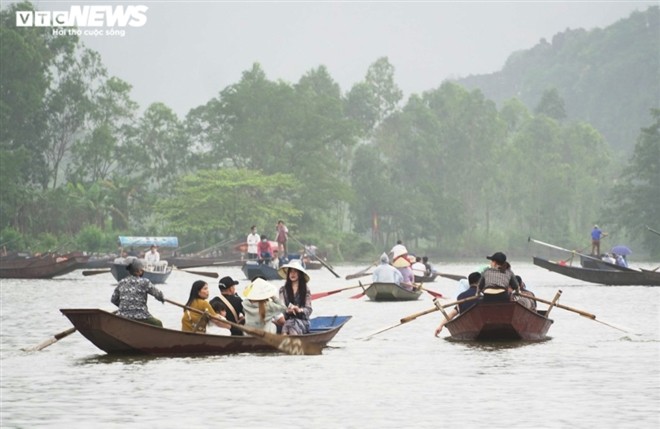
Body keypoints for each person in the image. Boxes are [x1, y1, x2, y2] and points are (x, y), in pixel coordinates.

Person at [111, 259, 165, 327]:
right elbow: (158, 294)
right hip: (141, 316)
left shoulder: (121, 282)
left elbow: (113, 299)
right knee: (158, 323)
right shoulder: (145, 282)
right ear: (138, 271)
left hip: (122, 316)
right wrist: (162, 298)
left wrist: (125, 305)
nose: (143, 271)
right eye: (142, 269)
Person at [434, 271, 482, 336]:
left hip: (465, 326)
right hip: (479, 323)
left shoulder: (460, 296)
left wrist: (440, 326)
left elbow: (452, 313)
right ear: (480, 282)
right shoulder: (482, 295)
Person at [277, 259, 312, 335]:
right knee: (288, 324)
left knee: (292, 326)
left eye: (295, 271)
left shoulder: (306, 290)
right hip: (287, 320)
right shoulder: (282, 290)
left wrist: (299, 310)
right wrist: (287, 311)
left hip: (302, 321)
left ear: (300, 274)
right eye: (291, 272)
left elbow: (308, 309)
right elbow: (281, 308)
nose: (293, 274)